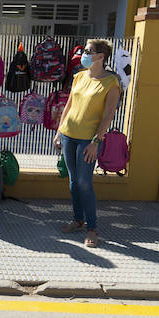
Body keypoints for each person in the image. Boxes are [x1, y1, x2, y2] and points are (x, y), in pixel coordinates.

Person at [53, 38, 122, 247]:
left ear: (100, 56)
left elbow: (108, 116)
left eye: (88, 50)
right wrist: (59, 132)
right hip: (68, 134)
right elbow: (69, 105)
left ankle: (92, 229)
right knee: (73, 182)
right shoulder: (79, 77)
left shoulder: (111, 83)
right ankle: (78, 220)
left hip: (88, 139)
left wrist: (95, 142)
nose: (84, 53)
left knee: (84, 182)